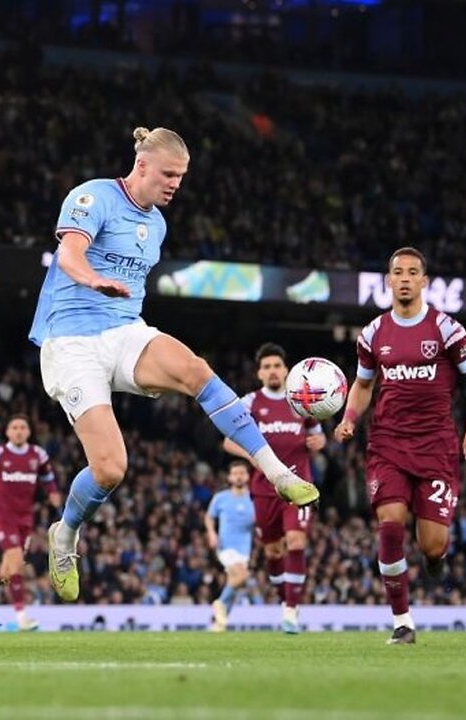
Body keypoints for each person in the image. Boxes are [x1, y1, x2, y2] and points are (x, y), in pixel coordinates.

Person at [28, 126, 318, 602]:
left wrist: (114, 298)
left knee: (196, 370)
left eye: (181, 178)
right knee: (110, 469)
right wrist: (95, 280)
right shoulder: (92, 196)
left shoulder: (157, 224)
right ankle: (65, 534)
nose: (174, 185)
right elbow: (69, 255)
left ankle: (277, 471)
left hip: (124, 330)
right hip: (71, 340)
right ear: (142, 165)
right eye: (168, 174)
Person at [334, 247, 466, 645]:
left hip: (437, 446)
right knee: (390, 525)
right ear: (389, 281)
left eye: (412, 272)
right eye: (397, 272)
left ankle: (435, 558)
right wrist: (350, 418)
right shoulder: (373, 333)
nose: (404, 278)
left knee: (433, 544)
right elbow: (364, 385)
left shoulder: (446, 329)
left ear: (424, 281)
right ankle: (402, 621)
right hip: (387, 442)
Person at [222, 342, 325, 633]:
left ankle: (291, 611)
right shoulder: (250, 403)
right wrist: (251, 455)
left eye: (277, 366)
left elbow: (317, 438)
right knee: (273, 552)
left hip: (299, 486)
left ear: (287, 370)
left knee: (296, 541)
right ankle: (285, 601)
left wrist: (319, 443)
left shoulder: (301, 401)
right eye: (266, 367)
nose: (272, 371)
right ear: (259, 373)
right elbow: (229, 440)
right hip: (264, 490)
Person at [0, 415, 63, 630]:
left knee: (9, 570)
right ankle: (22, 617)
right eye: (14, 427)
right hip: (4, 517)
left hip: (26, 518)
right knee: (16, 562)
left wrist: (54, 493)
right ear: (7, 432)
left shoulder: (38, 455)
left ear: (28, 432)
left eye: (22, 427)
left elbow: (48, 479)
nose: (18, 431)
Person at [205, 459, 257, 632]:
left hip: (245, 547)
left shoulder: (254, 499)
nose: (239, 477)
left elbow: (259, 522)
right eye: (235, 474)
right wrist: (212, 533)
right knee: (242, 576)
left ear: (248, 476)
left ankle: (220, 622)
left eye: (242, 473)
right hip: (226, 545)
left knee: (236, 583)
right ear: (229, 477)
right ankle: (219, 603)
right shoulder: (220, 498)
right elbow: (209, 517)